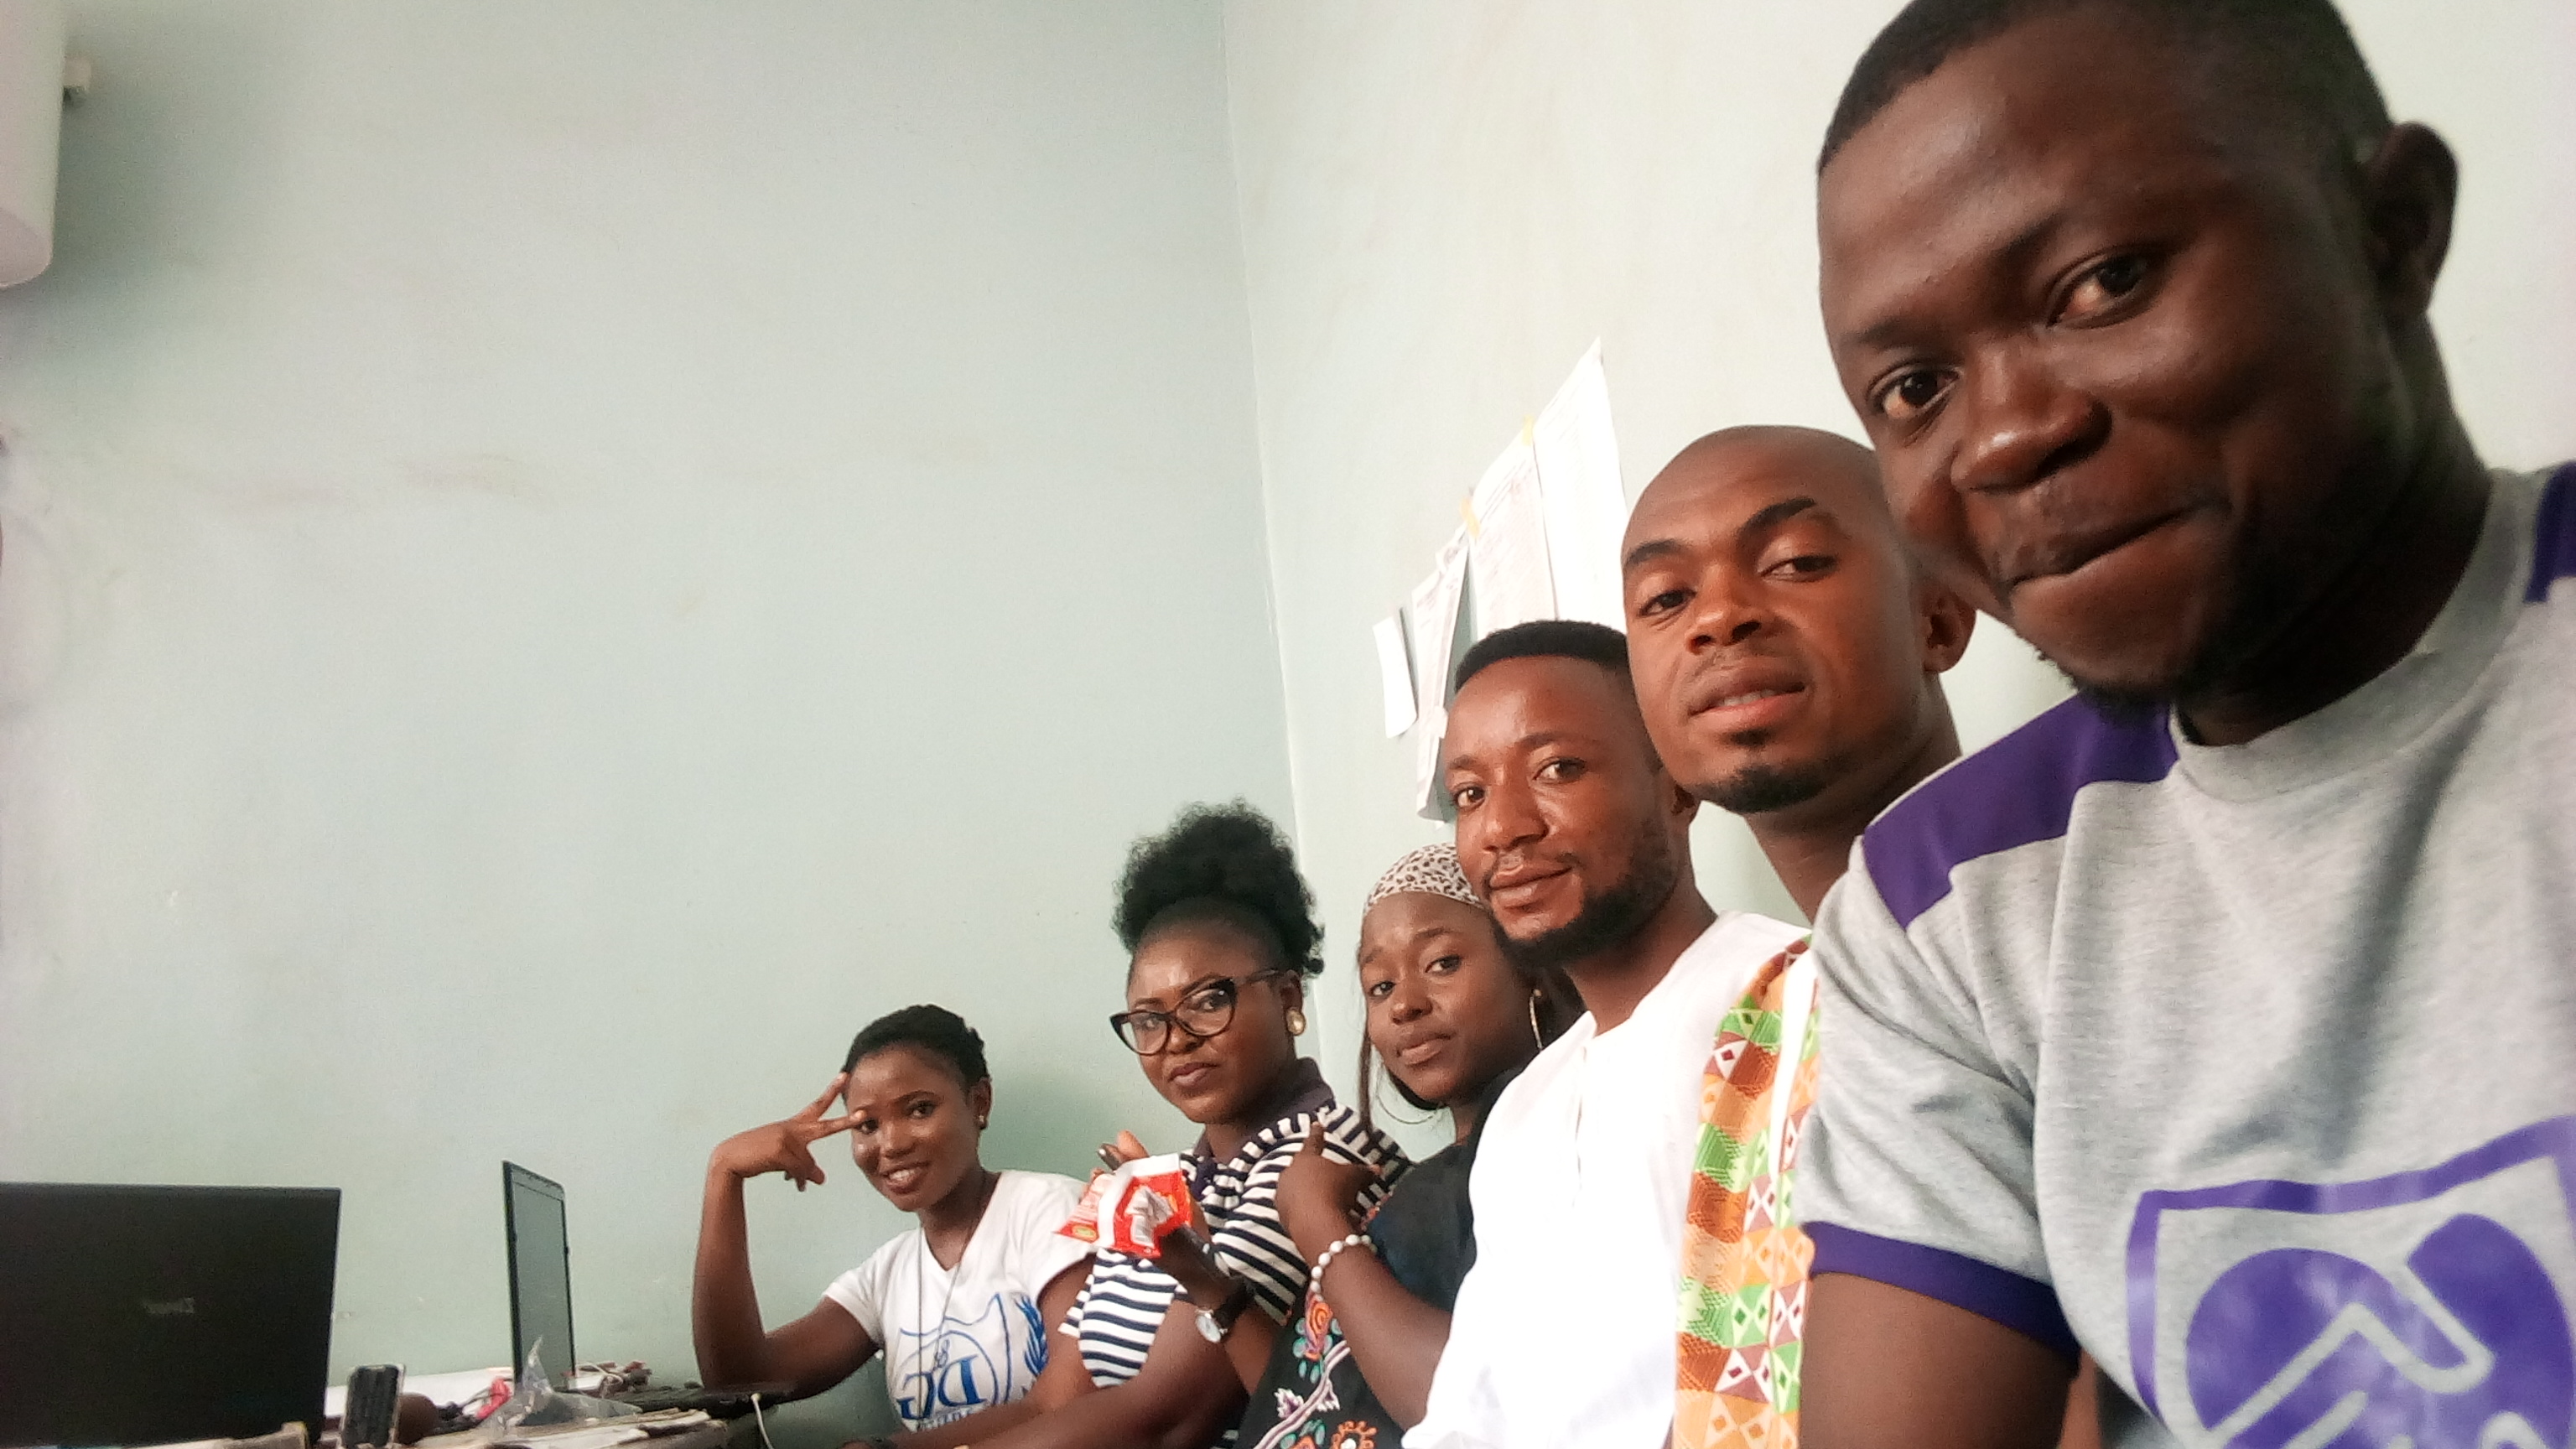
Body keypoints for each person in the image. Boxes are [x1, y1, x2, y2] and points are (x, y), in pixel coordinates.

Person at [1793, 1, 2576, 1445]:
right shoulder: (1948, 906)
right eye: (1914, 388)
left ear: (2392, 231)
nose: (2006, 433)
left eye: (2103, 282)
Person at [1618, 425, 1977, 1449]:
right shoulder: (1761, 1028)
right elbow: (1726, 1395)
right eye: (1665, 599)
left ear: (1939, 616)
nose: (1718, 618)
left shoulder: (2050, 928)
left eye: (1796, 562)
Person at [1409, 621, 1807, 1449]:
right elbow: (1468, 1418)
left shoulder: (1787, 1000)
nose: (1502, 828)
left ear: (1677, 785)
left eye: (1557, 769)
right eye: (1470, 794)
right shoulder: (1525, 1109)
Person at [971, 801, 1410, 1449]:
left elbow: (1164, 1419)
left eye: (1208, 1001)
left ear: (1288, 998)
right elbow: (1056, 1400)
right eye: (1149, 1020)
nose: (1176, 1039)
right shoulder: (1166, 1181)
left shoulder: (1321, 1158)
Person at [1158, 842, 1579, 1448]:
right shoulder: (1429, 1179)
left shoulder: (1550, 1146)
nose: (1405, 1004)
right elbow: (1309, 1395)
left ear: (1531, 969)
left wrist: (1321, 1229)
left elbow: (1462, 1402)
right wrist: (1212, 1289)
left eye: (1442, 963)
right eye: (1380, 986)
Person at [691, 1005, 1093, 1441]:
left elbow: (1070, 1402)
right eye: (867, 1125)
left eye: (919, 1110)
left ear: (979, 1101)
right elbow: (740, 1381)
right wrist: (724, 1174)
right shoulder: (888, 1274)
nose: (891, 1144)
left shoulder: (1051, 1210)